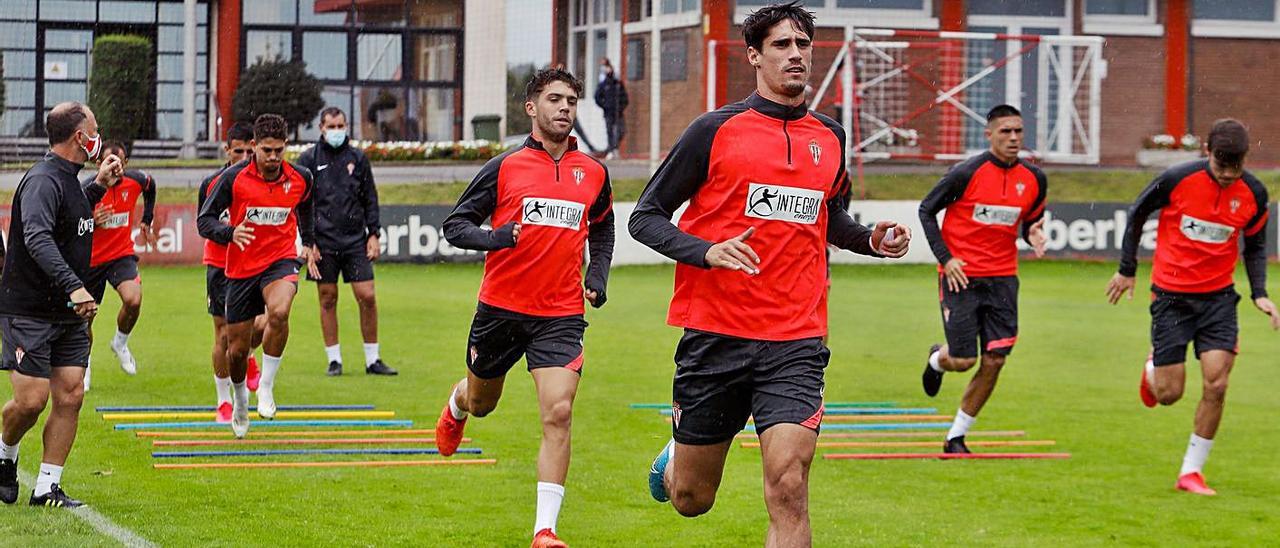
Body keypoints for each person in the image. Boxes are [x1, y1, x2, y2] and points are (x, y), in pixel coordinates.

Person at [628, 3, 910, 545]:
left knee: (788, 482)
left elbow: (828, 218)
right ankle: (676, 458)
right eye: (782, 45)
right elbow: (645, 217)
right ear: (754, 56)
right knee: (692, 499)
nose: (796, 54)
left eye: (803, 44)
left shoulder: (830, 137)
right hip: (716, 334)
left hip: (796, 338)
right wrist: (706, 251)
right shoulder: (713, 130)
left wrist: (870, 239)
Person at [435, 68, 614, 548]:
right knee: (483, 403)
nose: (564, 108)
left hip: (559, 314)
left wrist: (596, 276)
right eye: (554, 99)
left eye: (572, 100)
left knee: (559, 410)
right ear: (531, 108)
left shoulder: (593, 172)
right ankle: (458, 402)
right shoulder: (504, 166)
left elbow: (602, 227)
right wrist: (495, 238)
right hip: (500, 310)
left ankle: (545, 530)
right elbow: (455, 226)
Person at [1106, 119, 1279, 496]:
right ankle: (1153, 368)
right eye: (1221, 168)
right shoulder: (1176, 179)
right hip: (1171, 297)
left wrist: (1259, 293)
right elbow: (1137, 214)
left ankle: (1191, 472)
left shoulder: (1253, 192)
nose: (1227, 176)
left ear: (1245, 159)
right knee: (1169, 394)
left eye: (1235, 169)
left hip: (1218, 299)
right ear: (1206, 153)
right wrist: (1127, 270)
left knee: (1217, 383)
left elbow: (1254, 245)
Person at [0, 102, 122, 508]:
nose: (98, 137)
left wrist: (99, 185)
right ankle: (5, 454)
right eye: (95, 130)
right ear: (78, 137)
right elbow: (37, 237)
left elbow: (69, 216)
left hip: (68, 313)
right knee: (32, 401)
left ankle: (46, 487)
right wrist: (75, 286)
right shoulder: (42, 180)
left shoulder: (71, 178)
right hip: (30, 309)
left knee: (70, 395)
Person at [917, 104, 1048, 454]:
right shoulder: (964, 173)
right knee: (963, 361)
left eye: (1019, 131)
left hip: (1004, 280)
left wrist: (1032, 234)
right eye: (1006, 131)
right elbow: (926, 210)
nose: (1014, 138)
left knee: (996, 360)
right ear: (988, 134)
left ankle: (956, 436)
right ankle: (936, 361)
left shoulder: (1035, 178)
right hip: (961, 278)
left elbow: (1030, 221)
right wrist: (947, 258)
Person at [198, 113, 319, 438]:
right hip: (239, 269)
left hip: (279, 261)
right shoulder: (233, 179)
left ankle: (266, 386)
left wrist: (307, 243)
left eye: (279, 150)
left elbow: (306, 205)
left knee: (279, 312)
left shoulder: (301, 177)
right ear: (253, 147)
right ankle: (239, 400)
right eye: (267, 150)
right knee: (235, 350)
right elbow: (204, 221)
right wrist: (229, 232)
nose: (274, 157)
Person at [296, 107, 396, 377]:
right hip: (323, 243)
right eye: (332, 126)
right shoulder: (308, 159)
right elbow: (301, 205)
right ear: (321, 128)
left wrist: (373, 233)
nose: (337, 131)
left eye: (341, 126)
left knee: (367, 296)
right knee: (327, 299)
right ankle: (334, 360)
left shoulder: (358, 158)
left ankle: (373, 359)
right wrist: (309, 241)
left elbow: (370, 198)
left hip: (355, 241)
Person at [198, 121, 266, 423]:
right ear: (228, 150)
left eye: (248, 151)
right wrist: (230, 233)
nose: (243, 156)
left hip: (255, 263)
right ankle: (223, 400)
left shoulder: (264, 180)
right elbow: (205, 224)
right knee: (223, 335)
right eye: (237, 151)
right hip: (220, 264)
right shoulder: (213, 183)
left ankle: (249, 355)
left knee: (263, 324)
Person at [78, 141, 156, 390]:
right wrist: (90, 219)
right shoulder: (85, 188)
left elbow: (150, 186)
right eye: (109, 162)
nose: (115, 168)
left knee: (133, 299)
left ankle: (120, 343)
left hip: (121, 255)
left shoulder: (135, 181)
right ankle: (85, 363)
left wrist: (147, 219)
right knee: (85, 320)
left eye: (120, 163)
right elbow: (68, 223)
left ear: (126, 164)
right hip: (90, 261)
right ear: (99, 164)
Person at [594, 58, 628, 159]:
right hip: (608, 113)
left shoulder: (617, 84)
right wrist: (605, 106)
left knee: (621, 131)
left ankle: (614, 147)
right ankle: (611, 150)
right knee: (610, 131)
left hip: (618, 112)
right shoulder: (603, 84)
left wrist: (621, 107)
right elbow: (597, 97)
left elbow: (625, 98)